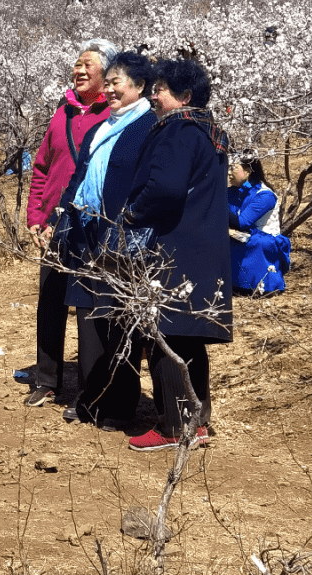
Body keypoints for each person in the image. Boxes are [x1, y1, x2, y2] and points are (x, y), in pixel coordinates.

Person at [124, 58, 232, 451]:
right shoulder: (209, 132)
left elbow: (165, 189)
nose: (154, 95)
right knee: (188, 337)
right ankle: (196, 423)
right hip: (203, 246)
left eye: (161, 90)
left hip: (174, 246)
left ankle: (173, 426)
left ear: (185, 96)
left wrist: (133, 213)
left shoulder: (178, 130)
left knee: (166, 336)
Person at [52, 52, 157, 428]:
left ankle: (120, 403)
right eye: (108, 82)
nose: (110, 89)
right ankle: (91, 397)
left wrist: (127, 223)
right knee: (89, 319)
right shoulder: (104, 125)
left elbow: (147, 183)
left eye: (118, 82)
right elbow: (81, 174)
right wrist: (65, 211)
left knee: (120, 320)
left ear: (140, 86)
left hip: (122, 236)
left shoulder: (148, 125)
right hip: (88, 232)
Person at [23, 39, 116, 406]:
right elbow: (42, 168)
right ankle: (46, 379)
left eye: (87, 64)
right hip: (52, 227)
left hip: (90, 227)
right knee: (50, 302)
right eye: (76, 64)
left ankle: (91, 386)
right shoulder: (61, 113)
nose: (78, 69)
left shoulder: (111, 115)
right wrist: (35, 216)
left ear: (106, 73)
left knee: (90, 305)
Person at [228, 151, 291, 295]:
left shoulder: (265, 195)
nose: (229, 173)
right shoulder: (233, 192)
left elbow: (243, 222)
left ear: (248, 171)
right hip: (241, 234)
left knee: (255, 242)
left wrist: (217, 205)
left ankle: (256, 286)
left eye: (233, 168)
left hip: (263, 238)